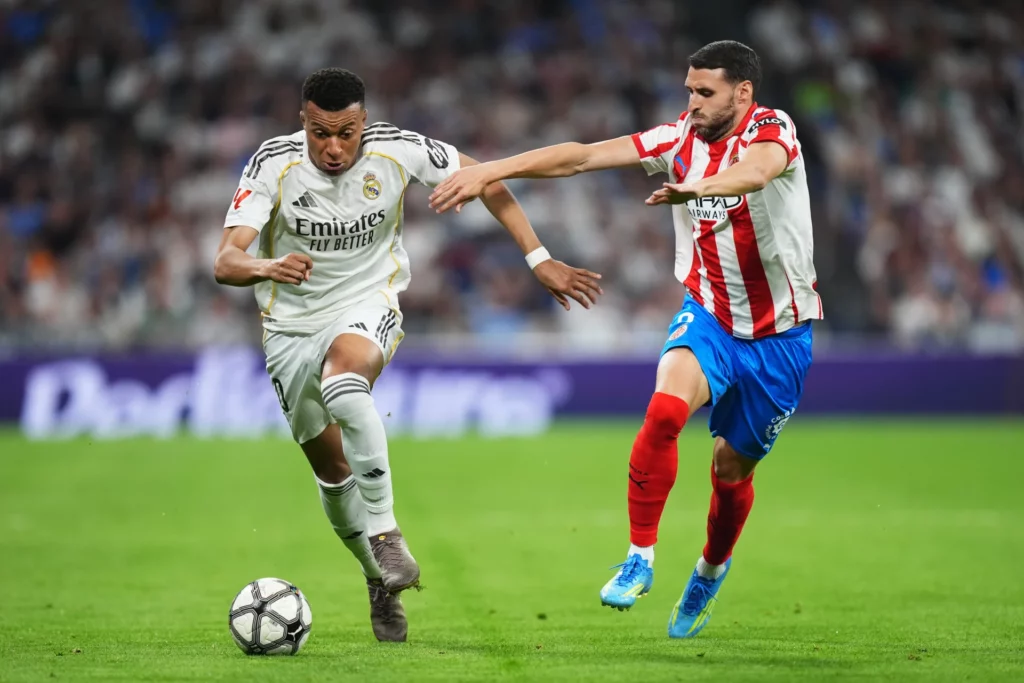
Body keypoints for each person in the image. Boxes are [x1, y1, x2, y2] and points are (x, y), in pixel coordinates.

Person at [429, 40, 822, 639]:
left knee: (731, 469)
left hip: (781, 336)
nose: (690, 102)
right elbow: (580, 157)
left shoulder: (774, 127)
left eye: (704, 92)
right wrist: (493, 168)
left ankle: (710, 570)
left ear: (742, 93)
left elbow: (760, 170)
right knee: (664, 412)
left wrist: (699, 190)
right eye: (688, 89)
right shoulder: (674, 141)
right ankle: (640, 556)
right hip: (711, 314)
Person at [213, 68, 602, 642]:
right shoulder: (273, 163)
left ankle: (387, 533)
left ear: (363, 121)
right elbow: (226, 261)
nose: (334, 146)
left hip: (368, 300)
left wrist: (537, 256)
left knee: (346, 384)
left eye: (346, 132)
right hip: (289, 326)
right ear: (304, 122)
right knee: (332, 472)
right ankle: (377, 577)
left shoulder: (399, 150)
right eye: (321, 132)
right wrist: (266, 267)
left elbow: (490, 180)